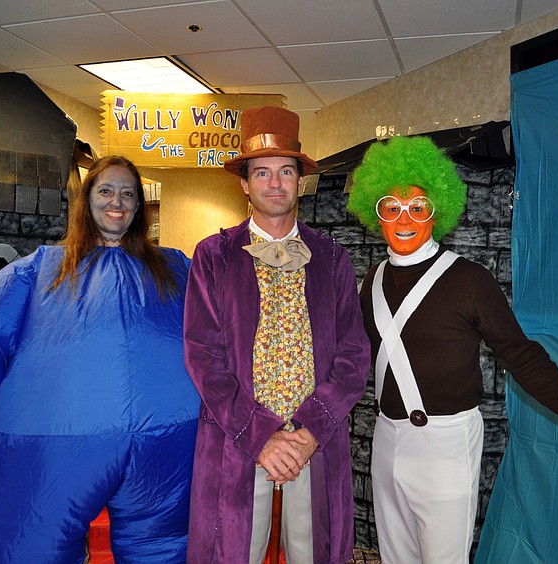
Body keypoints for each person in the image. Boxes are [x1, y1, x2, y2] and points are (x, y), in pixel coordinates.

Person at [346, 136, 558, 564]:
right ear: (375, 213)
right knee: (395, 557)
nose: (405, 218)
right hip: (386, 439)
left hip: (445, 443)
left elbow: (521, 355)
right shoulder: (371, 283)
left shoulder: (469, 281)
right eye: (392, 206)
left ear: (436, 213)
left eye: (418, 207)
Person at [0, 155, 199, 563]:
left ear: (138, 207)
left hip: (166, 445)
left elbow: (222, 330)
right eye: (106, 191)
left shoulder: (174, 268)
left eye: (127, 194)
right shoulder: (43, 269)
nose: (116, 201)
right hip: (56, 445)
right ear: (87, 201)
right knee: (31, 543)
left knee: (166, 549)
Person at [183, 106, 370, 564]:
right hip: (239, 436)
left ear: (300, 181)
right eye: (261, 172)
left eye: (286, 171)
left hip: (314, 439)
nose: (274, 183)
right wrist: (261, 435)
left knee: (315, 552)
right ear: (244, 183)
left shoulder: (331, 258)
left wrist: (309, 432)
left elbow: (353, 355)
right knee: (233, 552)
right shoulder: (214, 256)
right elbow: (202, 354)